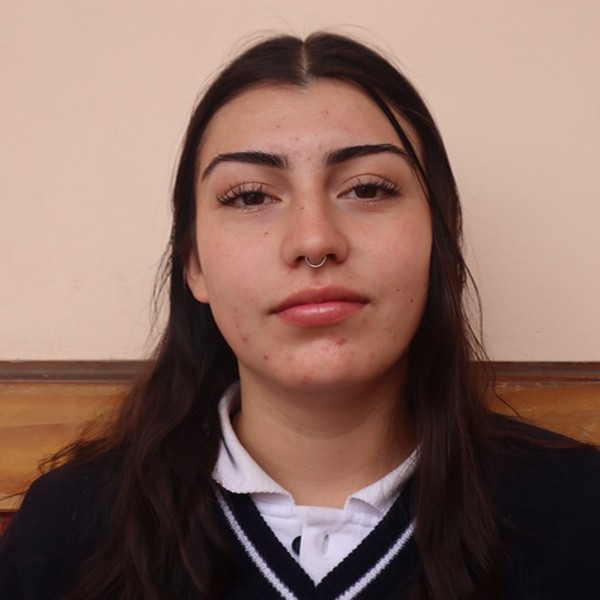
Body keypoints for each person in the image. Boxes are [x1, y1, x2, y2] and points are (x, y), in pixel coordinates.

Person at [1, 31, 599, 600]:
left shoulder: (580, 515)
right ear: (194, 265)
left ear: (439, 240)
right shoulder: (64, 530)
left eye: (368, 188)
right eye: (250, 196)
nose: (314, 240)